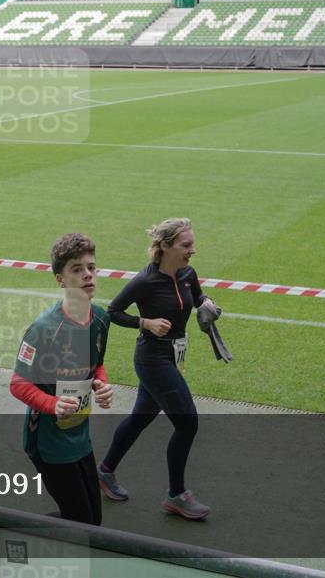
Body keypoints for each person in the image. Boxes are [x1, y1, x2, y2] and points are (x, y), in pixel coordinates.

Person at [97, 218, 221, 520]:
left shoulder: (188, 273)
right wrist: (145, 322)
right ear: (165, 247)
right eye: (186, 245)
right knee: (187, 422)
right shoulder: (145, 281)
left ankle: (104, 471)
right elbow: (112, 311)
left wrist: (206, 304)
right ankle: (176, 495)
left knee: (141, 418)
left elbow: (196, 297)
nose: (193, 250)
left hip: (173, 355)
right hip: (152, 359)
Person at [9, 233, 113, 525]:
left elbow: (97, 365)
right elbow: (18, 384)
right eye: (77, 269)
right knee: (83, 521)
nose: (88, 275)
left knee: (92, 520)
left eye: (91, 267)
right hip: (47, 443)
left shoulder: (101, 319)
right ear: (61, 279)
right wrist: (53, 404)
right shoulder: (44, 329)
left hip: (80, 436)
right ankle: (20, 534)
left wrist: (101, 384)